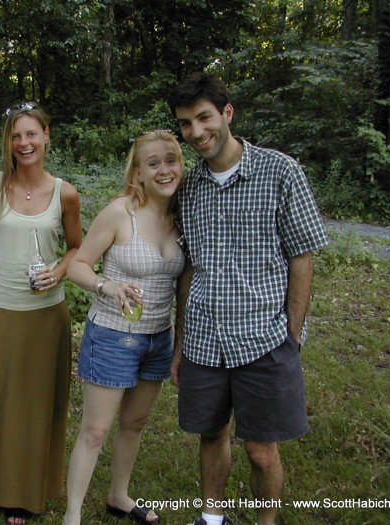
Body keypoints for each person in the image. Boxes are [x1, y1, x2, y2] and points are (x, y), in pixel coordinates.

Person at [167, 73, 329, 525]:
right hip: (204, 339)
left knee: (261, 450)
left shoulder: (280, 171)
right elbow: (189, 269)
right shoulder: (190, 187)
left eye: (204, 118)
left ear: (227, 113)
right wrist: (181, 344)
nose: (197, 132)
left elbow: (303, 255)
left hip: (264, 338)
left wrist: (291, 336)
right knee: (211, 433)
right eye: (186, 124)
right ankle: (212, 517)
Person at [0, 102, 82, 525]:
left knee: (40, 404)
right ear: (8, 143)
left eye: (32, 134)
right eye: (16, 136)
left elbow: (75, 246)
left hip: (48, 315)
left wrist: (59, 272)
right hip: (2, 310)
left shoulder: (65, 193)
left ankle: (30, 494)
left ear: (47, 135)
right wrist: (4, 258)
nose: (24, 143)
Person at [63, 130, 186, 525]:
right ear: (138, 171)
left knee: (135, 423)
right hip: (114, 335)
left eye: (171, 160)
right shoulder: (120, 212)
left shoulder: (181, 213)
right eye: (153, 163)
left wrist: (179, 340)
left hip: (157, 337)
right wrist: (107, 284)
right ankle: (73, 515)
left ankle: (119, 496)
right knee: (95, 431)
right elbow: (78, 266)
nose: (164, 169)